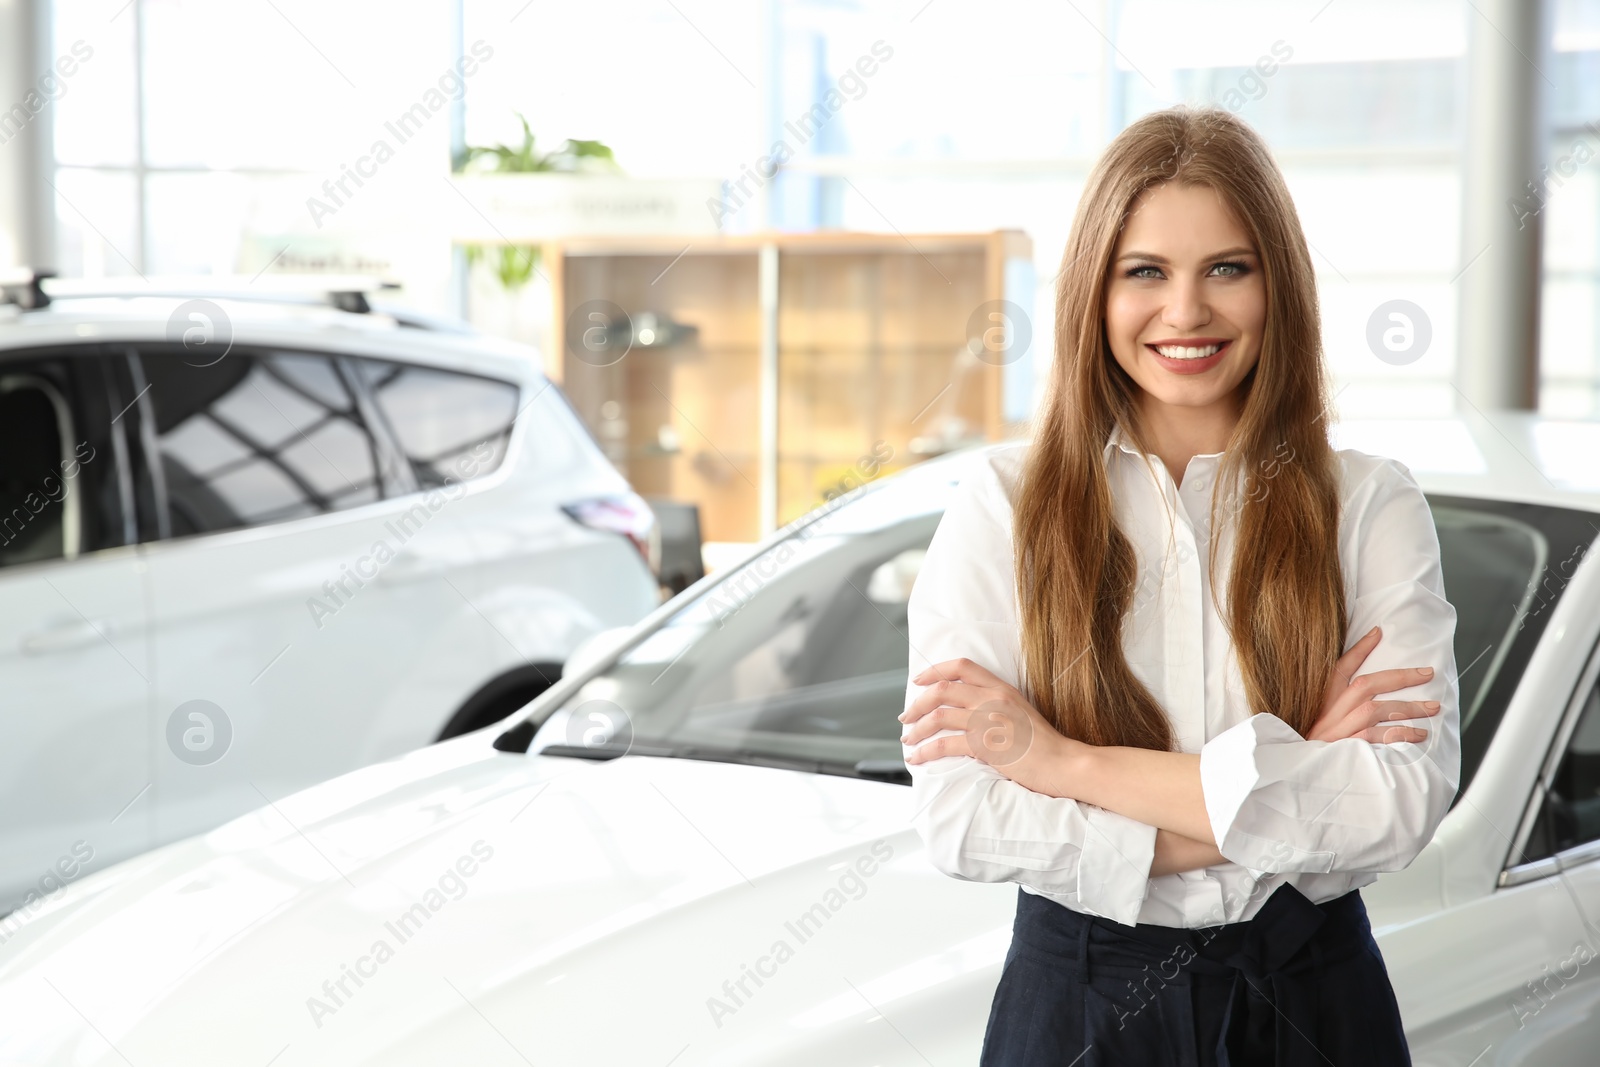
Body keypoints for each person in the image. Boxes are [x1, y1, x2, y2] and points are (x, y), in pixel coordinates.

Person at [898, 105, 1460, 1066]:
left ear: (1277, 284)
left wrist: (1064, 763)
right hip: (1076, 1008)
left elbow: (1397, 805)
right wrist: (1290, 777)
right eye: (1146, 271)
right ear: (1094, 290)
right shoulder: (1002, 506)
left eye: (1227, 269)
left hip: (1315, 1001)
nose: (1187, 311)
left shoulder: (1369, 503)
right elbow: (966, 819)